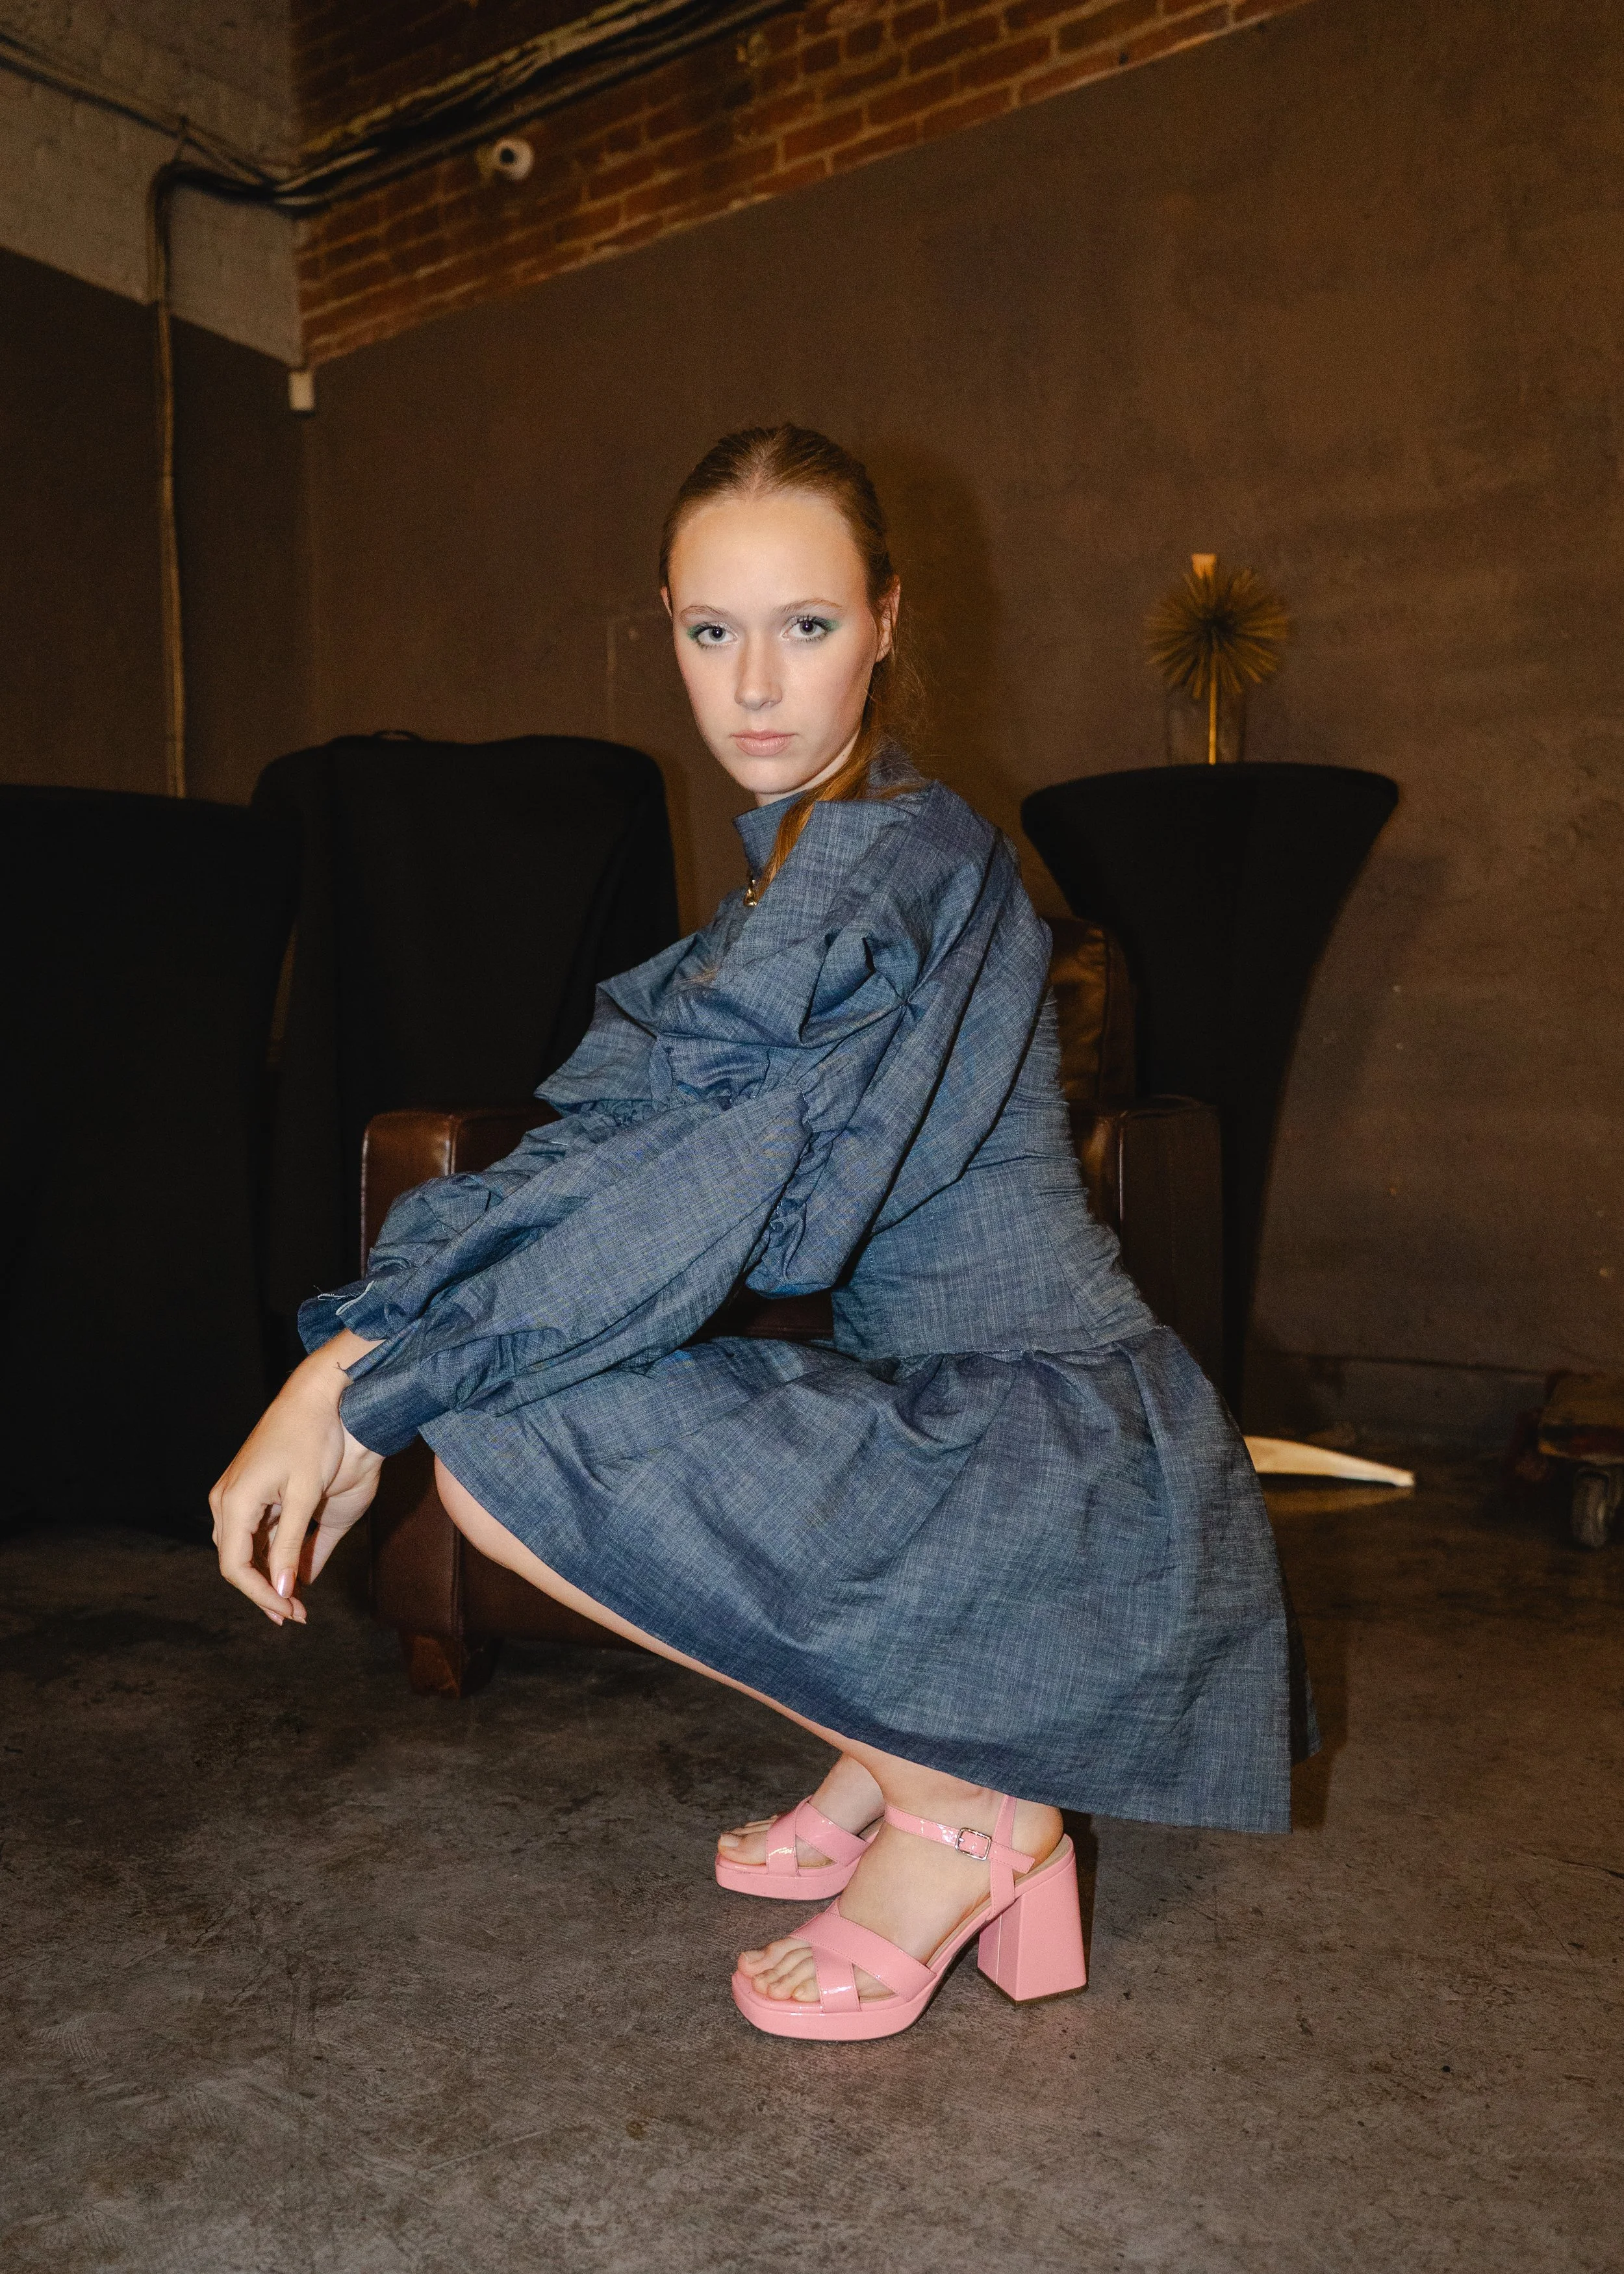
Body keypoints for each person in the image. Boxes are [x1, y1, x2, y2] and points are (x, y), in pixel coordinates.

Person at [212, 425, 1309, 2043]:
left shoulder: (890, 863)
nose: (753, 685)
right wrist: (362, 1343)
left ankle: (969, 1815)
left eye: (805, 626)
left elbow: (696, 1188)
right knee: (481, 1394)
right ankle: (896, 1757)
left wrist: (360, 1388)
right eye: (709, 630)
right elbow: (601, 1142)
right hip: (969, 1415)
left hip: (1049, 1451)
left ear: (886, 621)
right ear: (662, 619)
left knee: (505, 1438)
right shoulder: (792, 871)